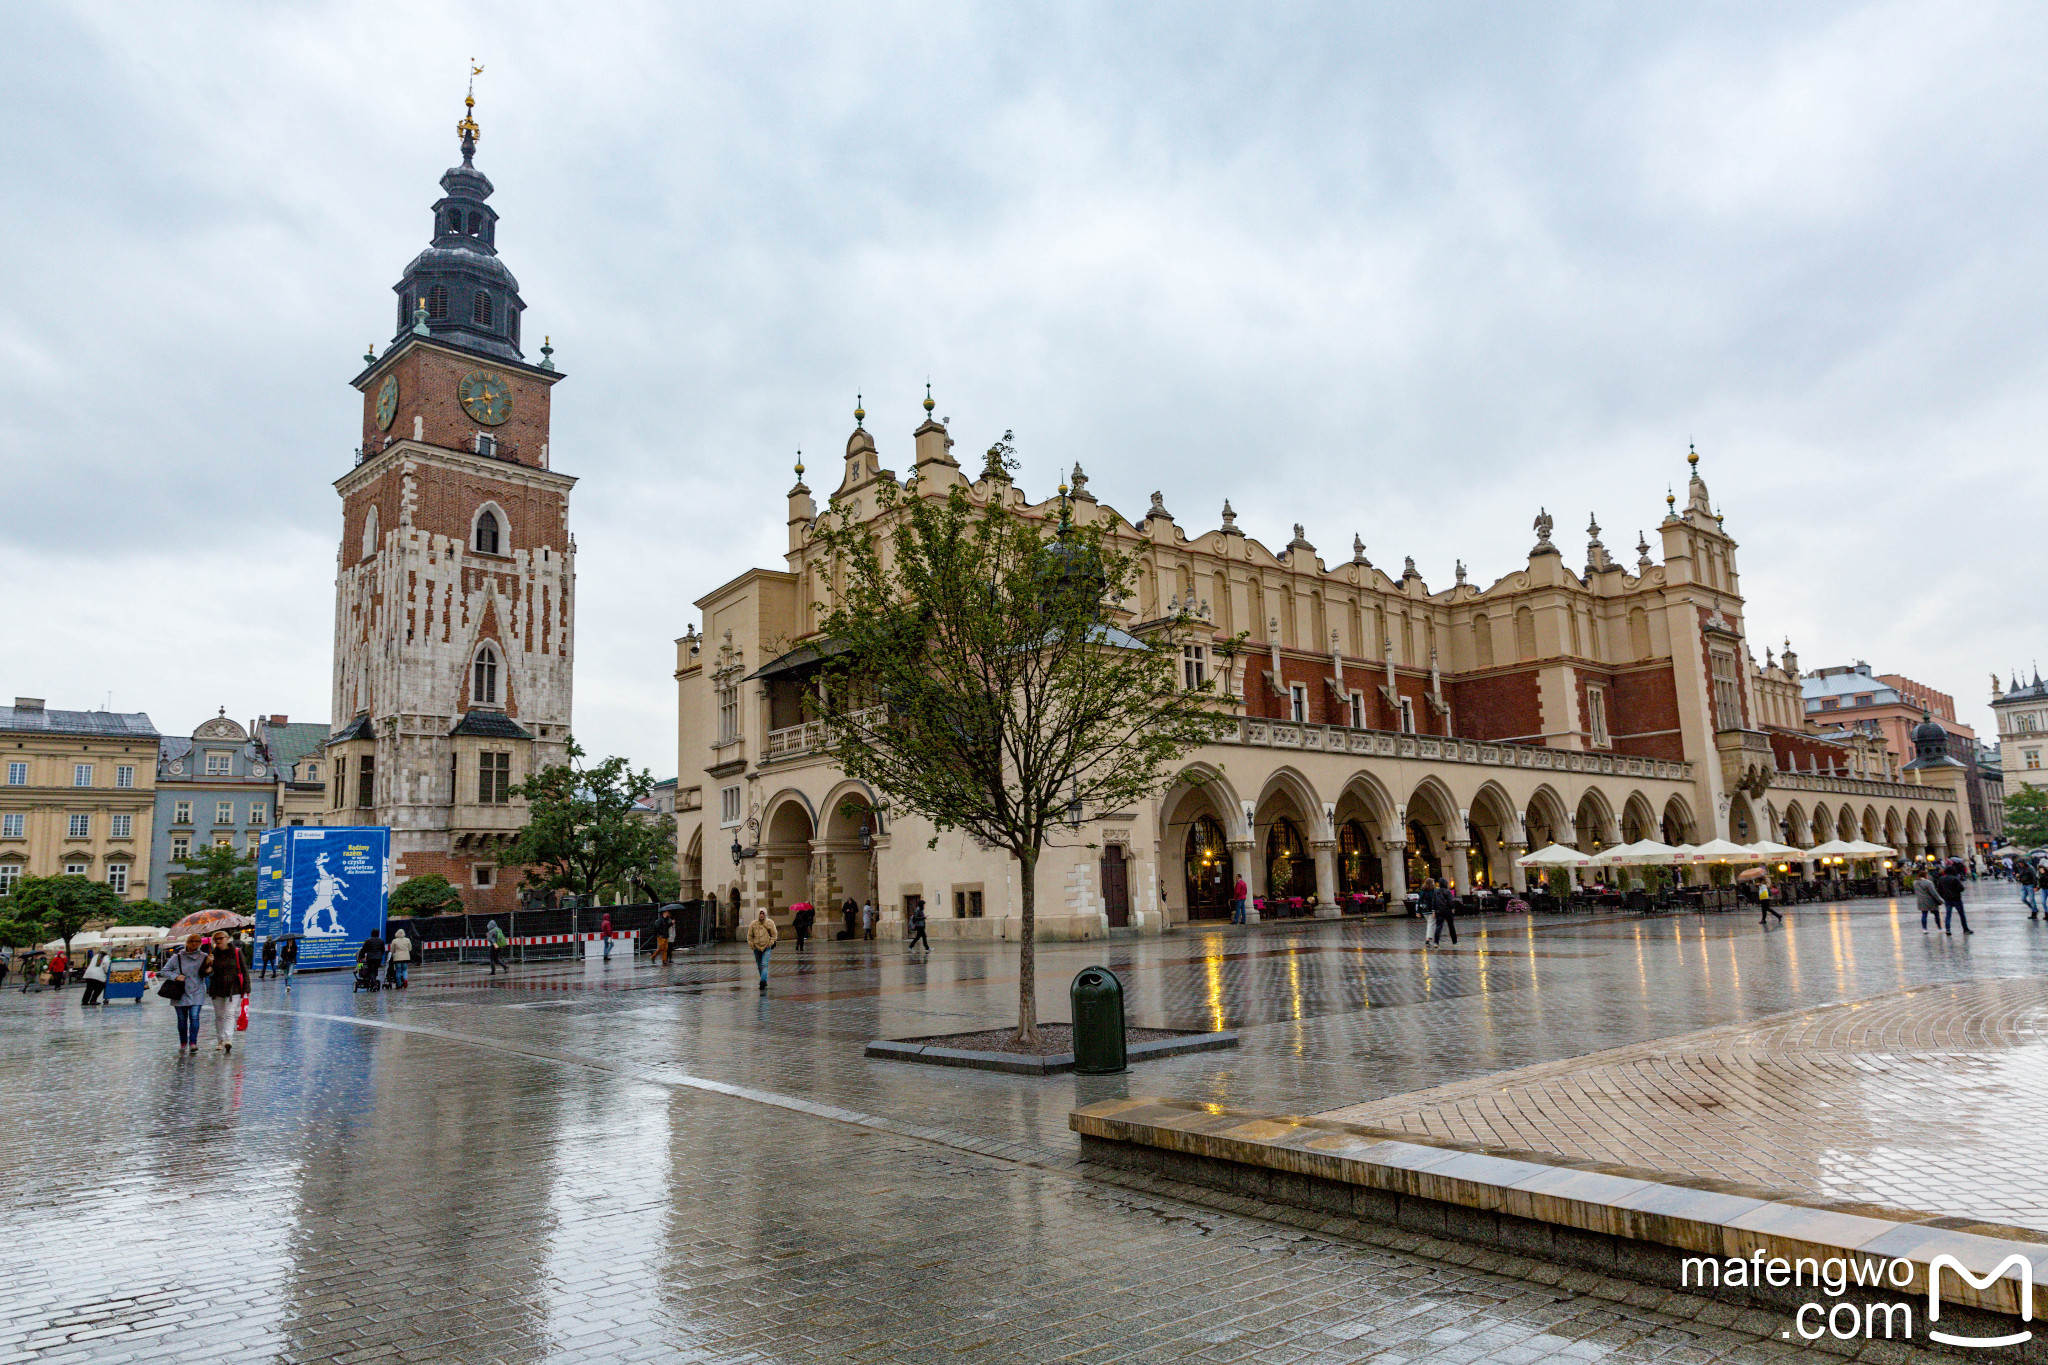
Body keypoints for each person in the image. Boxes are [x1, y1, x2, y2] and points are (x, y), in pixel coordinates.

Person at [161, 934, 208, 1053]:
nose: (194, 943)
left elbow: (206, 974)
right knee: (182, 1020)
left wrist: (210, 968)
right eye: (192, 941)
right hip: (180, 992)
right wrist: (176, 976)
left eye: (197, 941)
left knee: (194, 1017)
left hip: (197, 991)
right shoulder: (177, 957)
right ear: (187, 942)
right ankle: (183, 1042)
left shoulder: (204, 957)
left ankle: (193, 1042)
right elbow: (164, 971)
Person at [203, 929, 248, 1054]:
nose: (218, 941)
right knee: (219, 1016)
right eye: (216, 939)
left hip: (233, 988)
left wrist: (246, 989)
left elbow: (244, 970)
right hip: (216, 988)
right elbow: (204, 973)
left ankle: (228, 1039)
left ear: (227, 939)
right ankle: (220, 1040)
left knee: (229, 1014)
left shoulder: (236, 952)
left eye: (220, 938)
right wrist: (207, 964)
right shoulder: (212, 954)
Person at [746, 908, 778, 991]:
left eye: (763, 914)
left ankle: (763, 981)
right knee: (759, 965)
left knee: (764, 964)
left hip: (766, 947)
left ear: (765, 914)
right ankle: (763, 979)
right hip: (756, 947)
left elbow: (774, 935)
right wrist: (752, 945)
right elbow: (749, 936)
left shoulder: (770, 923)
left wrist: (770, 943)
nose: (761, 915)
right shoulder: (753, 924)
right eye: (760, 914)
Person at [1935, 864, 1970, 936]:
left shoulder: (1941, 879)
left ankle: (1948, 929)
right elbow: (1961, 889)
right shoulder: (1955, 878)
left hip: (1947, 899)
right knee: (1961, 914)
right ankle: (1965, 929)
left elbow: (1938, 890)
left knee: (1948, 914)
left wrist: (1943, 896)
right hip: (1956, 899)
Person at [1431, 881, 1458, 946]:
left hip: (1439, 910)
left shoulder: (1436, 891)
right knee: (1451, 926)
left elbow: (1433, 901)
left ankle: (1436, 942)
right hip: (1447, 910)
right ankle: (1454, 942)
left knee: (1438, 926)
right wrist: (1452, 908)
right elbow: (1450, 901)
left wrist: (1433, 910)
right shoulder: (1448, 891)